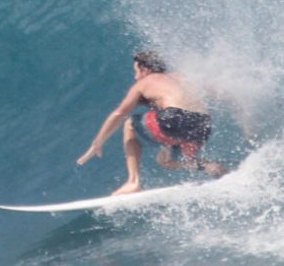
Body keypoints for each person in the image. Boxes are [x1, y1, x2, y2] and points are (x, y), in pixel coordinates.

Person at [76, 50, 228, 196]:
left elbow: (119, 113)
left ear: (145, 69)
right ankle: (211, 167)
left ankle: (133, 182)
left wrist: (97, 142)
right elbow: (221, 93)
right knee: (166, 161)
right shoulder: (183, 77)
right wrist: (245, 123)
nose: (136, 77)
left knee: (130, 124)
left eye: (136, 71)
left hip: (176, 119)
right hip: (203, 125)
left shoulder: (145, 82)